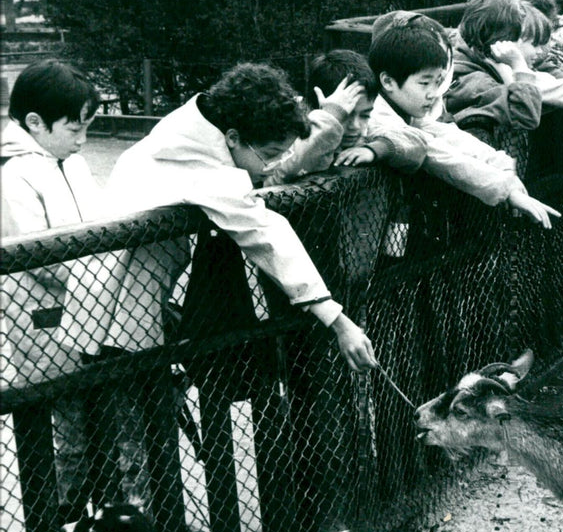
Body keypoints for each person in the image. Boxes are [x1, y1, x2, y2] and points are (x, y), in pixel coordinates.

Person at [58, 61, 376, 372]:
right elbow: (266, 234)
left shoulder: (200, 126)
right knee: (130, 391)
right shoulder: (205, 168)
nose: (274, 166)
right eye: (269, 156)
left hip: (124, 299)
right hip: (117, 311)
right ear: (234, 137)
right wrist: (339, 322)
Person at [338, 10, 560, 229]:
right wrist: (505, 189)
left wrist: (504, 170)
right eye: (424, 83)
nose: (433, 93)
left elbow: (448, 135)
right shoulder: (377, 113)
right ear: (388, 81)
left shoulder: (402, 106)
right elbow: (435, 152)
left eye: (437, 83)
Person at [0, 59, 103, 516]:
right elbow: (41, 259)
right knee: (69, 434)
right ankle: (60, 525)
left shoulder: (72, 163)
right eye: (74, 128)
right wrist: (105, 280)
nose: (82, 140)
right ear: (35, 123)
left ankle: (92, 524)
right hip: (47, 323)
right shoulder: (12, 175)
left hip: (91, 312)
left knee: (99, 425)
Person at [445, 0, 545, 174]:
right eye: (516, 37)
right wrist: (518, 66)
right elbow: (527, 115)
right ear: (501, 39)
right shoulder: (476, 81)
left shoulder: (469, 59)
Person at [252, 51, 374, 186]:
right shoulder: (288, 133)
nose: (356, 126)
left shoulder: (369, 137)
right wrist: (330, 117)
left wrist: (376, 150)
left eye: (365, 115)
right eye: (345, 115)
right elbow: (275, 178)